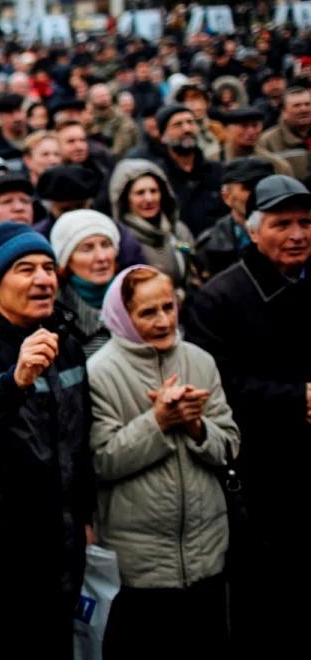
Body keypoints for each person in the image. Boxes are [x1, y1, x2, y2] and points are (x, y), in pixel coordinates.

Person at [0, 222, 93, 658]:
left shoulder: (68, 346)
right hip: (0, 569)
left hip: (63, 555)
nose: (43, 279)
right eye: (25, 269)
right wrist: (14, 381)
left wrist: (85, 515)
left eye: (48, 268)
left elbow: (80, 441)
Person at [184, 174, 311, 652]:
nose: (297, 234)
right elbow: (218, 383)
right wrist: (296, 398)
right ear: (253, 230)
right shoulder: (221, 296)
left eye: (305, 222)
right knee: (268, 600)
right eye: (282, 223)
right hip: (260, 472)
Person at [88, 265, 238, 658]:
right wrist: (156, 422)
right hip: (140, 566)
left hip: (207, 554)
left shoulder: (200, 361)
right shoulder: (100, 373)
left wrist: (194, 426)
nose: (163, 321)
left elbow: (229, 445)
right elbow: (102, 460)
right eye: (147, 313)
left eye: (168, 308)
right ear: (124, 316)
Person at [108, 159, 198, 296]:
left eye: (154, 191)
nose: (149, 199)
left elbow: (190, 259)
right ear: (125, 198)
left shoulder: (178, 232)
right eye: (140, 193)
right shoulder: (120, 241)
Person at [142, 105, 228, 236]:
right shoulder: (156, 176)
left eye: (190, 122)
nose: (187, 129)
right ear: (163, 136)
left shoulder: (218, 171)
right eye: (178, 125)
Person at [50, 210, 120, 356]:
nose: (101, 257)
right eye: (87, 248)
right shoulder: (54, 313)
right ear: (66, 260)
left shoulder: (135, 295)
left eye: (106, 245)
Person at [195, 157, 275, 280]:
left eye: (263, 185)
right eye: (249, 187)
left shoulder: (296, 234)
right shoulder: (210, 245)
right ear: (227, 197)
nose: (257, 193)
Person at [257, 86, 311, 180]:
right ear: (284, 112)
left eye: (307, 104)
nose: (304, 109)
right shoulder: (267, 141)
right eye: (297, 105)